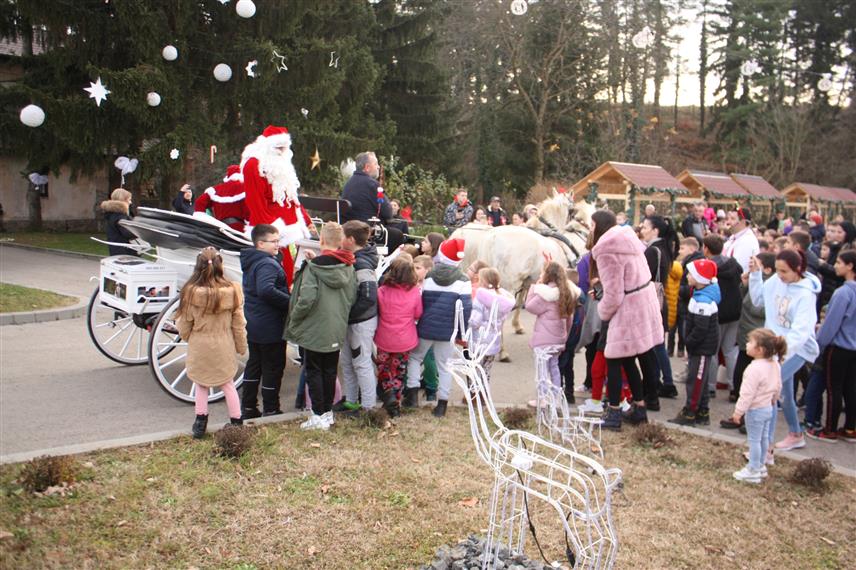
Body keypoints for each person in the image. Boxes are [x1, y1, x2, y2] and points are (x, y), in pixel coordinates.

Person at [589, 210, 663, 431]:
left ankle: (614, 413)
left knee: (613, 360)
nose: (590, 230)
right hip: (643, 301)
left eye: (592, 225)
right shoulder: (628, 238)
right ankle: (639, 408)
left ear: (599, 227)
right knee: (629, 359)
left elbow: (613, 294)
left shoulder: (606, 250)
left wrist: (602, 311)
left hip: (627, 309)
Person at [748, 249, 821, 451]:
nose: (780, 275)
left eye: (784, 271)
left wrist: (779, 355)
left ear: (798, 269)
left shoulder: (806, 294)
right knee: (785, 394)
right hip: (773, 348)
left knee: (768, 392)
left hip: (796, 350)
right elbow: (758, 300)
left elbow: (800, 333)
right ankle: (796, 434)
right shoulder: (776, 281)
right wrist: (755, 275)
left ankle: (766, 448)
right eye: (777, 270)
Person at [286, 222, 356, 431]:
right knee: (330, 371)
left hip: (315, 327)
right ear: (340, 241)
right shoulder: (349, 266)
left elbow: (306, 299)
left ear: (322, 240)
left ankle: (317, 415)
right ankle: (327, 413)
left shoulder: (314, 268)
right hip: (336, 326)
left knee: (314, 371)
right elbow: (352, 297)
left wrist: (294, 318)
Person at [175, 247, 247, 438]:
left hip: (200, 345)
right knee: (228, 384)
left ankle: (200, 422)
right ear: (220, 266)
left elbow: (184, 323)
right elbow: (239, 324)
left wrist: (188, 337)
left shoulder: (190, 293)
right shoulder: (233, 291)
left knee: (201, 384)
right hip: (224, 344)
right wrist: (241, 345)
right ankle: (237, 421)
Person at [405, 238, 472, 417]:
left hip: (426, 326)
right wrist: (462, 333)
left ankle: (412, 396)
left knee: (415, 358)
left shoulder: (429, 275)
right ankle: (442, 404)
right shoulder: (464, 280)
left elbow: (420, 300)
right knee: (444, 366)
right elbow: (466, 309)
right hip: (448, 330)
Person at [241, 125, 315, 285]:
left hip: (290, 232)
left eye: (284, 148)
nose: (282, 152)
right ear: (266, 146)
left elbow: (291, 197)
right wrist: (271, 232)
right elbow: (255, 203)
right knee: (275, 276)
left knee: (290, 273)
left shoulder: (283, 165)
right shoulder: (253, 165)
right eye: (278, 148)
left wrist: (306, 220)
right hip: (272, 233)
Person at [239, 224, 291, 419]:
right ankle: (271, 408)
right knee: (273, 367)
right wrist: (290, 301)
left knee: (255, 364)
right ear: (260, 244)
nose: (278, 245)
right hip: (270, 324)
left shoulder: (252, 260)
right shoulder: (267, 263)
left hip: (255, 322)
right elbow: (266, 290)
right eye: (273, 241)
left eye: (278, 240)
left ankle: (248, 407)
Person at [807, 250, 856, 442]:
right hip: (853, 349)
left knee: (833, 388)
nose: (835, 266)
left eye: (839, 263)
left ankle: (830, 429)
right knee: (850, 388)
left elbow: (831, 324)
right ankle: (850, 428)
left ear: (850, 266)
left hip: (838, 347)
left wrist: (819, 343)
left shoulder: (843, 293)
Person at [720, 252, 776, 421]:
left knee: (749, 373)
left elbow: (760, 308)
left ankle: (745, 409)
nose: (751, 267)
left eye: (755, 264)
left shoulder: (769, 286)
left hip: (757, 336)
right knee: (742, 368)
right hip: (746, 332)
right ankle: (739, 401)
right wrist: (744, 285)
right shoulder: (754, 281)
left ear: (767, 269)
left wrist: (751, 288)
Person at [669, 259, 721, 425]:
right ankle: (702, 411)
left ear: (700, 278)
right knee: (701, 380)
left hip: (701, 348)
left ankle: (690, 412)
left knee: (696, 381)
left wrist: (689, 343)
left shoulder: (703, 302)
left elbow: (700, 329)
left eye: (691, 274)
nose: (687, 276)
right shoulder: (699, 294)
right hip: (698, 347)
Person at [730, 329, 786, 483]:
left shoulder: (753, 369)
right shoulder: (775, 364)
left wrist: (738, 412)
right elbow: (778, 385)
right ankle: (761, 465)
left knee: (754, 440)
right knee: (764, 438)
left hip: (755, 410)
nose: (747, 344)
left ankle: (753, 469)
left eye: (750, 342)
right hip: (768, 408)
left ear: (760, 349)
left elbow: (747, 394)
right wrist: (774, 399)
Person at [336, 220, 380, 415]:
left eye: (342, 236)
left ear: (351, 240)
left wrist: (348, 315)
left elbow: (369, 296)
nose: (339, 240)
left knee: (362, 363)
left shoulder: (362, 263)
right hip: (350, 321)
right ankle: (351, 401)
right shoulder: (353, 258)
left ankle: (368, 407)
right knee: (347, 362)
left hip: (361, 322)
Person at [376, 256, 423, 417]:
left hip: (384, 337)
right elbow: (418, 313)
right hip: (405, 339)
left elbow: (378, 311)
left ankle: (388, 396)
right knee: (399, 371)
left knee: (384, 369)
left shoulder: (382, 291)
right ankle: (395, 403)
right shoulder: (414, 291)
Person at [525, 261, 579, 390]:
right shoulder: (567, 294)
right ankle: (556, 396)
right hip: (558, 340)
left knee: (542, 371)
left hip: (544, 341)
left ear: (547, 275)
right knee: (554, 368)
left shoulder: (545, 294)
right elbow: (569, 320)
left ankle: (543, 397)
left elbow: (529, 306)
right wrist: (564, 338)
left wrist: (534, 288)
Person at [640, 215, 677, 402]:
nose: (642, 230)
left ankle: (657, 383)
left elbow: (642, 276)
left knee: (654, 345)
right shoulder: (664, 248)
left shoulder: (653, 251)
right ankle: (666, 381)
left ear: (655, 231)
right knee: (658, 344)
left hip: (651, 301)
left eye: (645, 227)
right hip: (660, 301)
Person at [703, 234, 743, 397]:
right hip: (734, 312)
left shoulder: (709, 268)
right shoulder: (733, 264)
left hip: (717, 312)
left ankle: (710, 386)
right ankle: (735, 386)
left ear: (706, 249)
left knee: (713, 350)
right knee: (730, 351)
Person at [469, 267, 515, 379]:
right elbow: (503, 318)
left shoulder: (480, 298)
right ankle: (485, 389)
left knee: (475, 371)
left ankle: (476, 390)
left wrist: (469, 324)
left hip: (479, 341)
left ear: (484, 282)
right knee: (486, 371)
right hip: (493, 341)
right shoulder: (502, 299)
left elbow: (475, 321)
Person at [412, 254, 439, 401]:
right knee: (411, 358)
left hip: (427, 326)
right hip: (411, 326)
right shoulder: (411, 285)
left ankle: (431, 387)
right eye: (413, 267)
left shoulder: (431, 286)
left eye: (418, 268)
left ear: (428, 270)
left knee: (429, 358)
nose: (414, 270)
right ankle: (410, 387)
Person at [193, 164, 249, 232]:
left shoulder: (215, 190)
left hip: (220, 230)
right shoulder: (246, 188)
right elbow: (249, 210)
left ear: (227, 176)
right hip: (239, 230)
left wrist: (203, 220)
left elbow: (199, 203)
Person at [676, 237, 705, 359]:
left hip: (688, 304)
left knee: (688, 331)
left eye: (682, 248)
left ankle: (691, 358)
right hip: (685, 304)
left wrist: (678, 290)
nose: (679, 251)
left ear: (692, 249)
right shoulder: (687, 262)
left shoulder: (694, 264)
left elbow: (692, 287)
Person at [100, 188, 138, 256]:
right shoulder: (119, 216)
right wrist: (142, 232)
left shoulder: (113, 214)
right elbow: (128, 233)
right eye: (129, 200)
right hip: (124, 252)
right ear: (123, 200)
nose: (130, 202)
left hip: (118, 250)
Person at [723, 207, 759, 272]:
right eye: (728, 219)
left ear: (743, 222)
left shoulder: (747, 241)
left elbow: (736, 268)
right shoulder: (734, 237)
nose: (728, 222)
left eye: (732, 219)